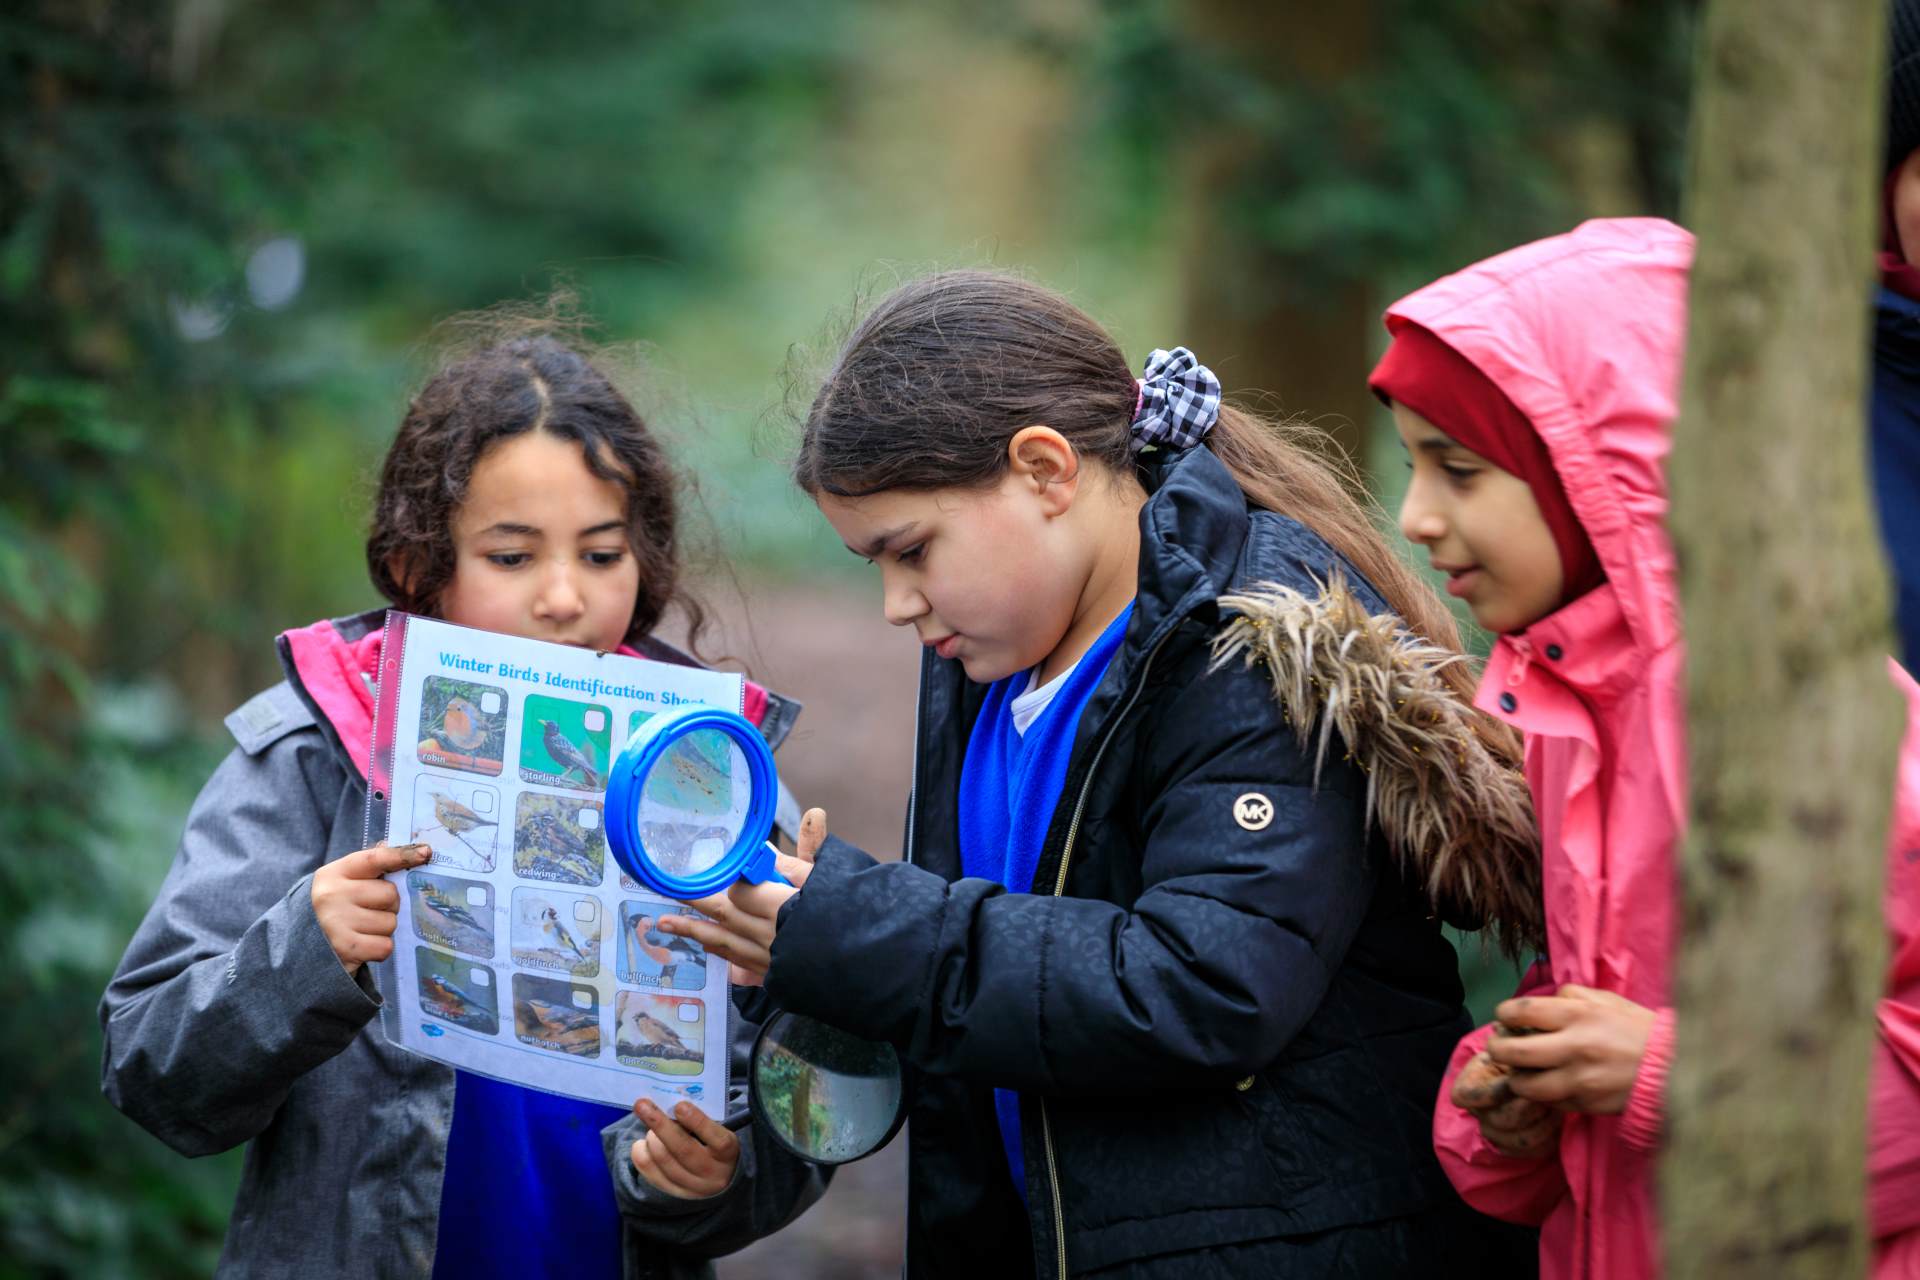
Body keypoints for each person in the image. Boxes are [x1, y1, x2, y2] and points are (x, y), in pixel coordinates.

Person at [661, 270, 1543, 1277]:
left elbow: (1204, 985)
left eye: (912, 550)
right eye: (875, 566)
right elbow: (998, 974)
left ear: (1045, 468)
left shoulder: (1250, 642)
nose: (899, 603)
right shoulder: (990, 654)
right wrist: (810, 945)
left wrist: (861, 925)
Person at [99, 331, 825, 1278]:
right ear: (416, 566)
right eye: (512, 557)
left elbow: (804, 1096)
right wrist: (304, 952)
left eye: (602, 554)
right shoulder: (318, 751)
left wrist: (717, 1176)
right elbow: (153, 1069)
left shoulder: (715, 772)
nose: (565, 597)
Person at [1370, 217, 1691, 1279]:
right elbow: (1596, 998)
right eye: (1414, 465)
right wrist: (1518, 1101)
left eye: (1458, 469)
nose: (1416, 515)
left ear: (1602, 475)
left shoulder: (1811, 726)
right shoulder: (1561, 720)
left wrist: (1664, 1075)